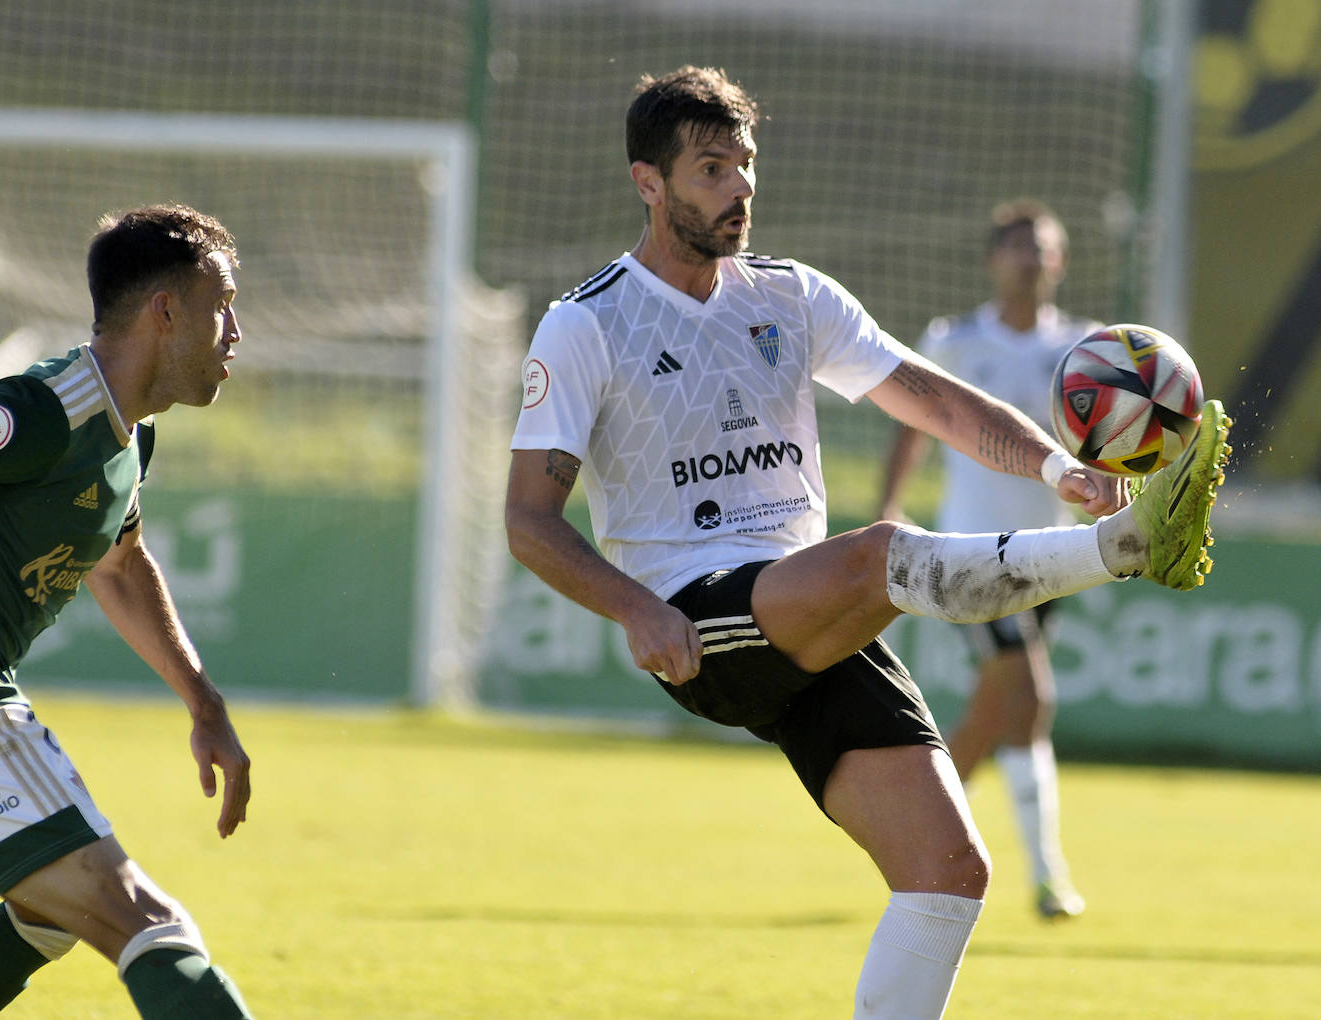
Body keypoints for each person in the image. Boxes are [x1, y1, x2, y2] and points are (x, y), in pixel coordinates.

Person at [504, 66, 1229, 1020]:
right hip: (696, 614)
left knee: (949, 873)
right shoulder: (586, 322)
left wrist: (1061, 470)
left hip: (807, 616)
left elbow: (928, 398)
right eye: (712, 169)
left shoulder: (792, 296)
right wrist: (637, 607)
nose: (740, 188)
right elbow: (529, 520)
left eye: (747, 165)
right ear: (650, 181)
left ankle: (1113, 529)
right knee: (879, 551)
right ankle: (1125, 547)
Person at [0, 204, 254, 1019]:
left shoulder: (128, 438)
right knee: (145, 920)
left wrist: (203, 702)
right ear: (165, 311)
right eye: (222, 303)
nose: (236, 331)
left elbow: (120, 564)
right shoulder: (48, 409)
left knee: (47, 912)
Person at [877, 198, 1095, 920]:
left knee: (999, 713)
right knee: (1032, 698)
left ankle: (914, 835)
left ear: (1061, 263)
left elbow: (1106, 443)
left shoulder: (1084, 352)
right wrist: (890, 506)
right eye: (1019, 248)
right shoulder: (955, 340)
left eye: (1045, 249)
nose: (1032, 260)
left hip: (1053, 556)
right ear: (993, 260)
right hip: (972, 555)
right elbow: (912, 419)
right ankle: (1048, 877)